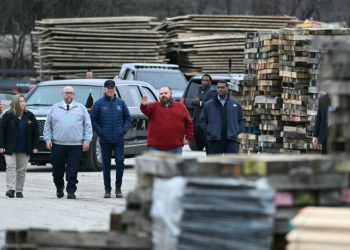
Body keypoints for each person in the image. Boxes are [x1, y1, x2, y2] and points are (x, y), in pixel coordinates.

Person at [43, 86, 92, 199]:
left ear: (74, 95)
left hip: (75, 144)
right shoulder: (54, 108)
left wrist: (87, 141)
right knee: (57, 168)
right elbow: (48, 126)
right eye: (67, 93)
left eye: (71, 93)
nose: (69, 95)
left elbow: (88, 126)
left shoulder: (81, 108)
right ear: (62, 94)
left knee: (73, 168)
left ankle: (71, 190)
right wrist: (48, 139)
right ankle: (59, 187)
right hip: (58, 144)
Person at [91, 80, 131, 199]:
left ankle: (118, 187)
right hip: (105, 139)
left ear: (115, 89)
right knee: (106, 165)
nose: (110, 90)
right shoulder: (99, 103)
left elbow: (127, 118)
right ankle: (107, 189)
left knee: (120, 161)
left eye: (112, 88)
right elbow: (93, 119)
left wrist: (122, 131)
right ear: (104, 89)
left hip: (118, 139)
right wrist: (101, 132)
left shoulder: (121, 103)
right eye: (108, 88)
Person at [0, 94, 39, 198]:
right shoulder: (7, 116)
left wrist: (35, 146)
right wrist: (1, 145)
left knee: (21, 170)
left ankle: (19, 190)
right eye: (20, 101)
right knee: (10, 167)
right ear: (15, 103)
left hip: (25, 147)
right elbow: (1, 132)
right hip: (10, 147)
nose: (23, 103)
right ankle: (10, 189)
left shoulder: (29, 115)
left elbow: (35, 132)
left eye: (23, 101)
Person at [140, 86, 193, 154]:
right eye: (161, 94)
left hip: (175, 147)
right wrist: (144, 105)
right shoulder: (153, 106)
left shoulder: (181, 107)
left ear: (171, 94)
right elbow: (145, 111)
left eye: (165, 93)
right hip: (155, 148)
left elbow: (189, 123)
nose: (163, 95)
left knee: (175, 165)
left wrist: (188, 137)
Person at [200, 80, 245, 155]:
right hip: (214, 140)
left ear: (227, 89)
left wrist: (236, 130)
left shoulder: (236, 104)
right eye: (218, 87)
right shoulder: (209, 104)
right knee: (215, 165)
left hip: (231, 140)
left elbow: (242, 119)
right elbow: (202, 120)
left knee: (231, 164)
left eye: (222, 87)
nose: (220, 89)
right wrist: (210, 131)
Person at [191, 74, 216, 154]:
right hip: (198, 120)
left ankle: (210, 157)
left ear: (210, 82)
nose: (205, 82)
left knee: (207, 141)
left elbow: (213, 104)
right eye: (203, 80)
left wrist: (200, 102)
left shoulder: (212, 91)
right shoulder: (199, 90)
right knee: (200, 139)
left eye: (207, 80)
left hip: (206, 120)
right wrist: (195, 101)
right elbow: (192, 100)